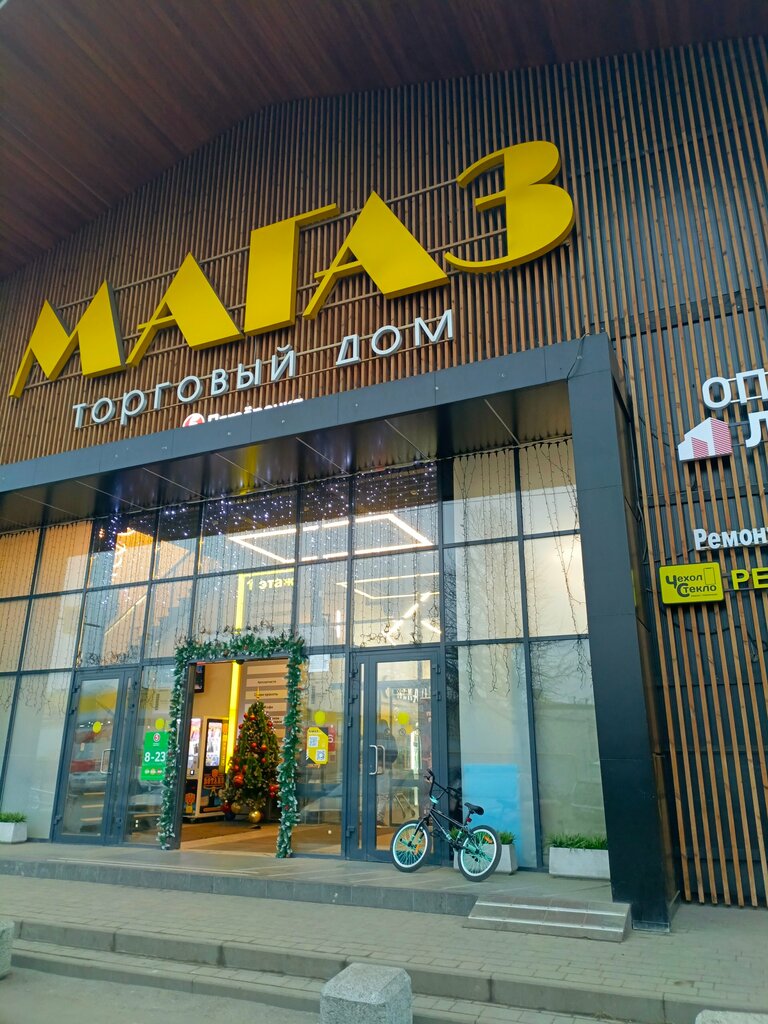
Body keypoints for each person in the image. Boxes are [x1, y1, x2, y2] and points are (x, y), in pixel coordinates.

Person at [376, 719, 398, 825]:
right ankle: (378, 817)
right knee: (383, 794)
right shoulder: (390, 737)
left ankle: (370, 816)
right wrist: (387, 762)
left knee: (372, 792)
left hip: (372, 767)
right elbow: (395, 753)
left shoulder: (372, 736)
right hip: (385, 768)